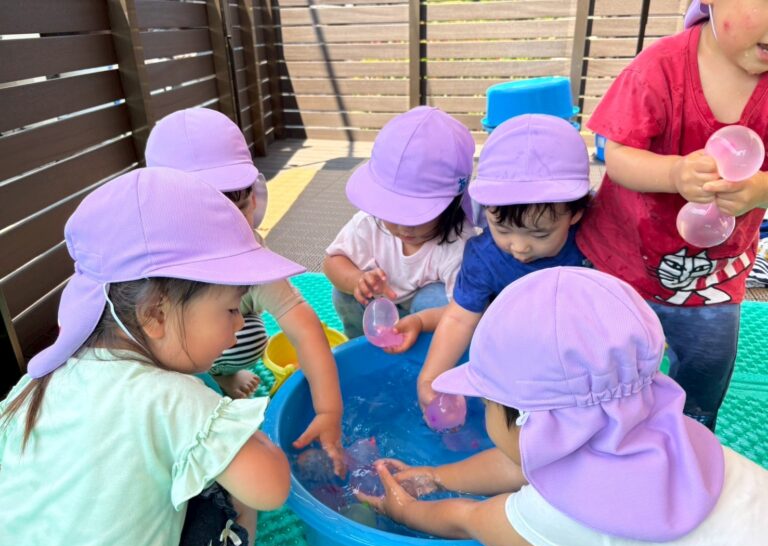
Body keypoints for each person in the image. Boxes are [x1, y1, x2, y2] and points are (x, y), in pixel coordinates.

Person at [358, 267, 768, 546]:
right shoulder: (660, 431)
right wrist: (436, 475)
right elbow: (518, 463)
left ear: (525, 420)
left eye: (486, 404)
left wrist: (407, 512)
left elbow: (473, 520)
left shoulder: (573, 509)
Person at [0, 168, 295, 546]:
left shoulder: (32, 386)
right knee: (230, 494)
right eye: (231, 308)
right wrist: (243, 434)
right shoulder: (170, 397)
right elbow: (271, 488)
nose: (240, 324)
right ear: (155, 313)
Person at [577, 0, 768, 431]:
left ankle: (688, 436)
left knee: (705, 370)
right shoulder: (659, 68)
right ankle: (600, 432)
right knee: (603, 366)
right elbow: (618, 155)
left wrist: (760, 189)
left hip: (714, 281)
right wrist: (674, 172)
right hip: (622, 265)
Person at [146, 108, 344, 473]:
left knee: (248, 336)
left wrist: (328, 410)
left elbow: (301, 324)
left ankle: (222, 371)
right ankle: (209, 379)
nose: (222, 231)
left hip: (221, 346)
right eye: (201, 217)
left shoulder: (248, 254)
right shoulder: (149, 259)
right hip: (174, 365)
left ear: (253, 200)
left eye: (234, 209)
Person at [417, 114, 590, 411]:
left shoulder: (592, 243)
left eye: (540, 233)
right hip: (512, 344)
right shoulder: (484, 257)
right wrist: (431, 378)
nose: (520, 247)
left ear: (576, 214)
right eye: (503, 230)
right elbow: (459, 318)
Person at [323, 106, 476, 351]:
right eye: (392, 210)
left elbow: (465, 310)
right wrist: (356, 281)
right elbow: (332, 261)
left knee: (433, 298)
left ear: (450, 205)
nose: (403, 226)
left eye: (416, 214)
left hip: (425, 315)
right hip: (376, 308)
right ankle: (359, 346)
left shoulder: (459, 243)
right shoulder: (370, 222)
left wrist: (419, 321)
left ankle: (424, 350)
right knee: (344, 293)